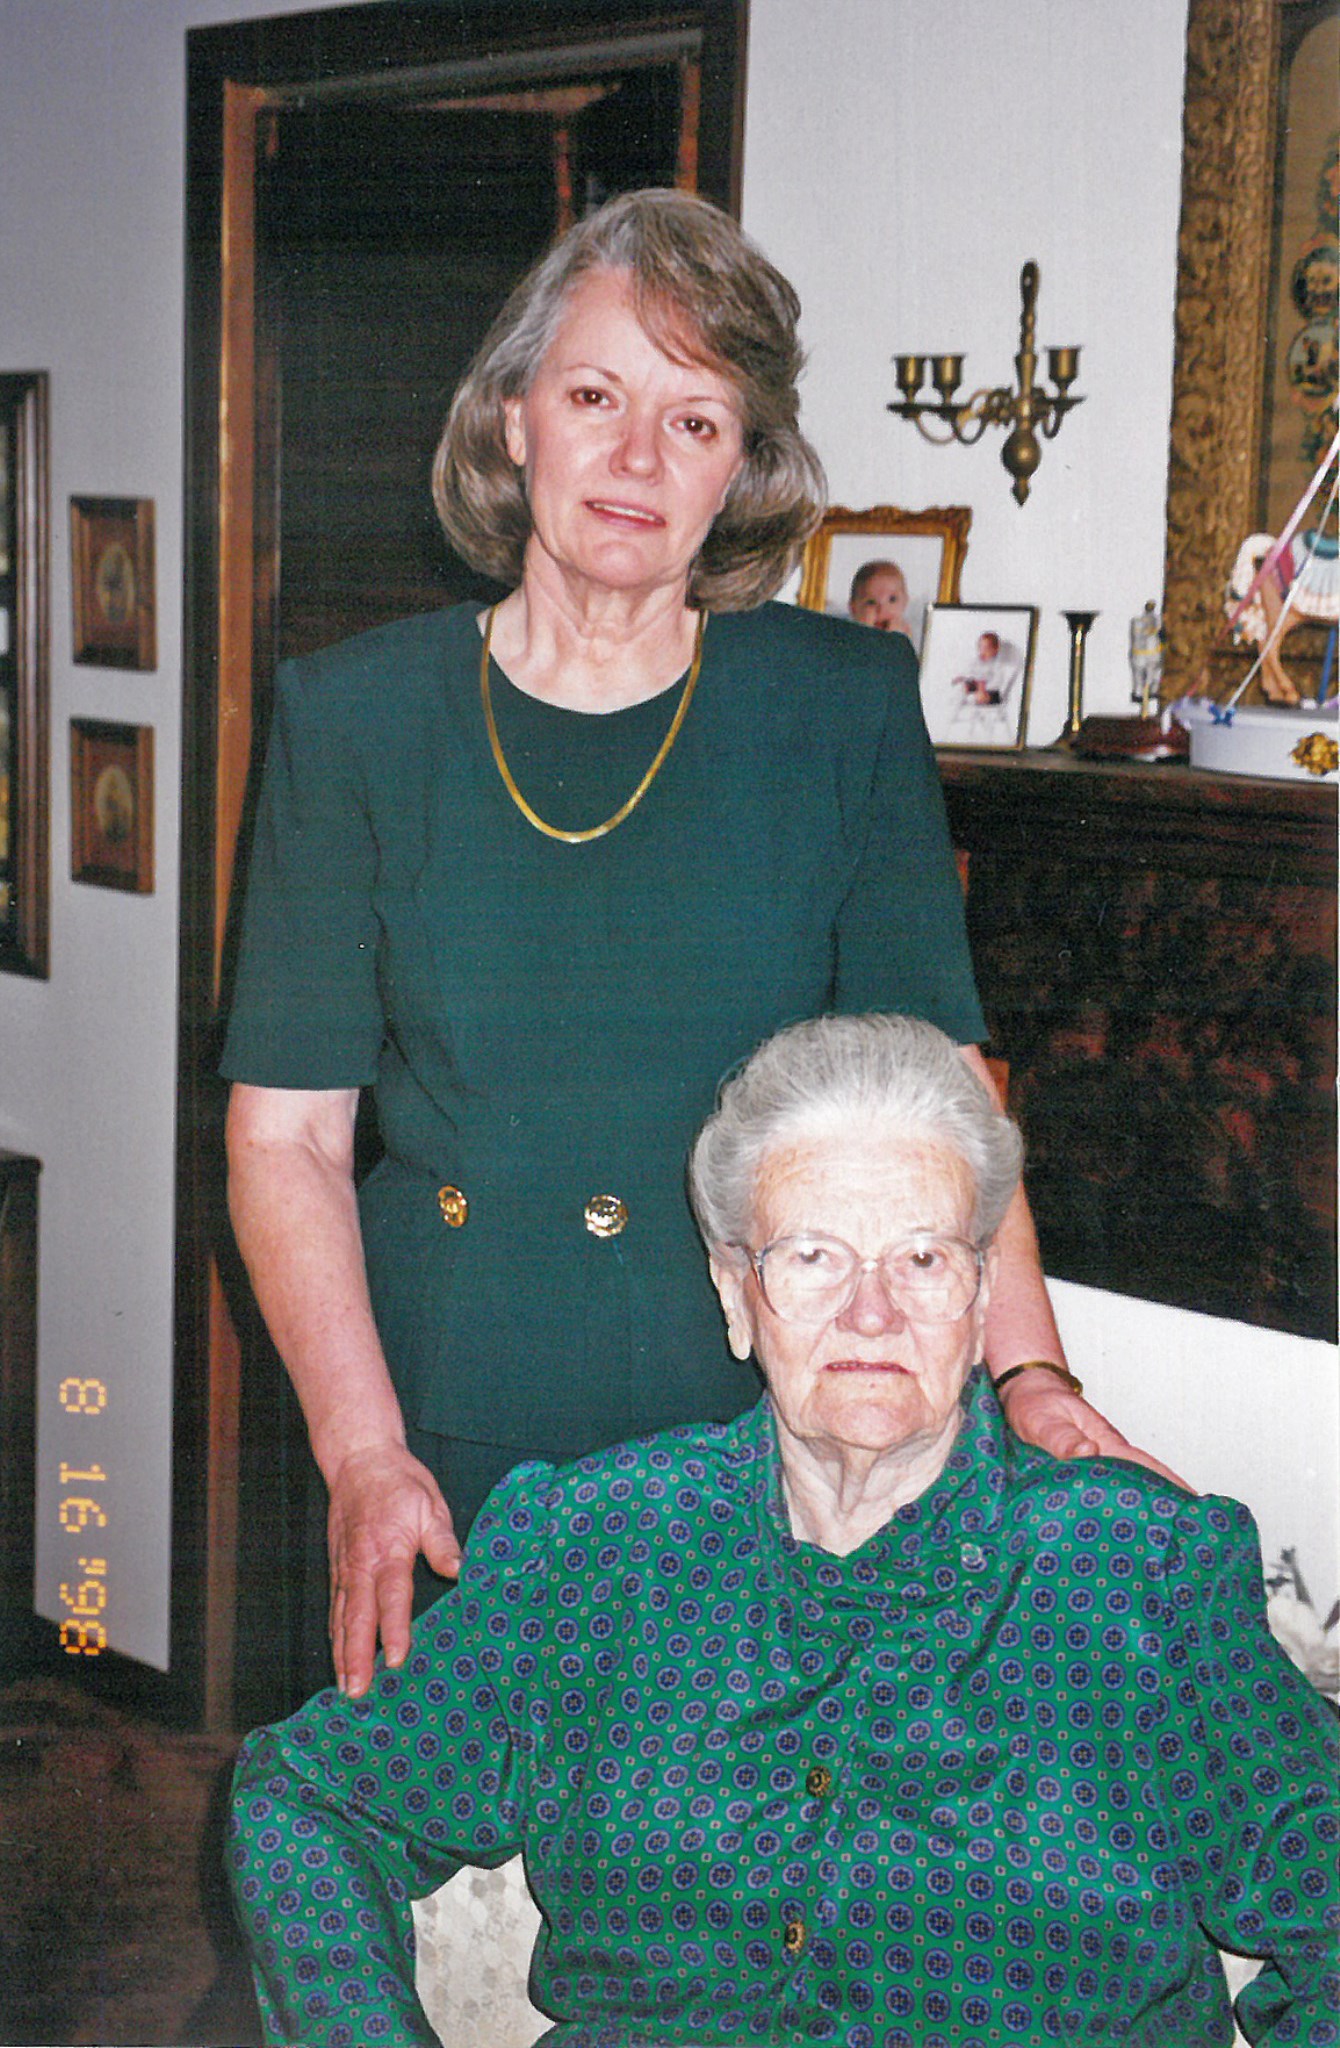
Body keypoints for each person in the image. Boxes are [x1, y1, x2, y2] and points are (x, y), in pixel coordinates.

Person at [221, 188, 1153, 1706]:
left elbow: (942, 1093)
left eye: (696, 420)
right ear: (514, 418)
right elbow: (287, 1141)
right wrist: (363, 1450)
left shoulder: (838, 704)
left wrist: (1027, 1375)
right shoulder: (355, 717)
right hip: (439, 1422)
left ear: (743, 468)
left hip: (757, 1419)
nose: (638, 458)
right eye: (595, 397)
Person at [229, 1014, 1339, 2048]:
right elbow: (310, 1797)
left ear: (978, 1297)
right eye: (812, 1256)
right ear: (733, 1292)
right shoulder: (595, 1550)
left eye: (921, 1258)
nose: (871, 1311)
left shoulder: (1134, 1576)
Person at [847, 557, 912, 640]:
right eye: (871, 602)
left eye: (892, 599)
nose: (882, 609)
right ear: (853, 609)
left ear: (905, 602)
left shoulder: (905, 637)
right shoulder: (849, 638)